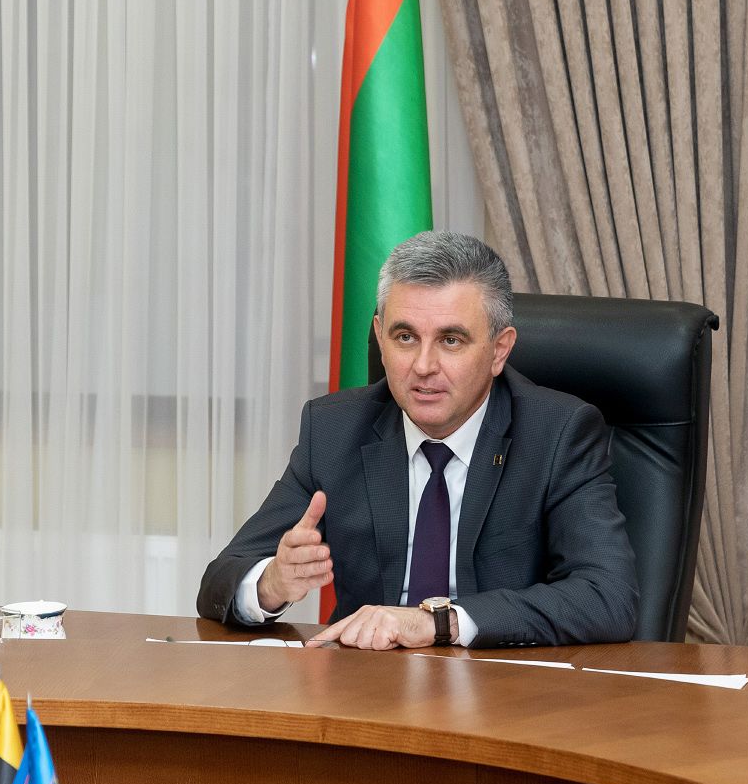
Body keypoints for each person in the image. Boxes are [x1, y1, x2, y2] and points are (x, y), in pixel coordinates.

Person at [196, 231, 637, 649]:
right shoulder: (334, 429)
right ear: (380, 338)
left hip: (503, 684)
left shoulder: (557, 433)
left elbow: (607, 597)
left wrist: (439, 623)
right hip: (366, 682)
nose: (424, 366)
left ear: (499, 350)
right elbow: (219, 581)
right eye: (405, 337)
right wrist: (273, 582)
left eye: (451, 340)